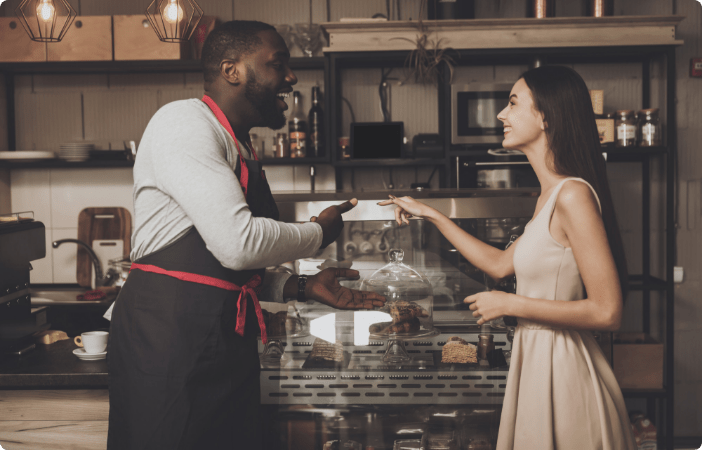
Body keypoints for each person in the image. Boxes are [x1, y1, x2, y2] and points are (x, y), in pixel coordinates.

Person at [106, 20, 385, 450]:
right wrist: (317, 232)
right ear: (231, 70)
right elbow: (237, 244)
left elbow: (226, 263)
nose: (291, 77)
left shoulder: (240, 146)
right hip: (170, 339)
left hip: (219, 337)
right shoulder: (183, 123)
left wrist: (300, 285)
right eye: (279, 64)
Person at [380, 65, 636, 449]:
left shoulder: (572, 195)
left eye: (513, 103)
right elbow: (499, 264)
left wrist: (509, 304)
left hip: (563, 366)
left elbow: (607, 311)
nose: (501, 114)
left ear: (546, 115)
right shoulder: (549, 197)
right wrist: (431, 214)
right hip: (537, 357)